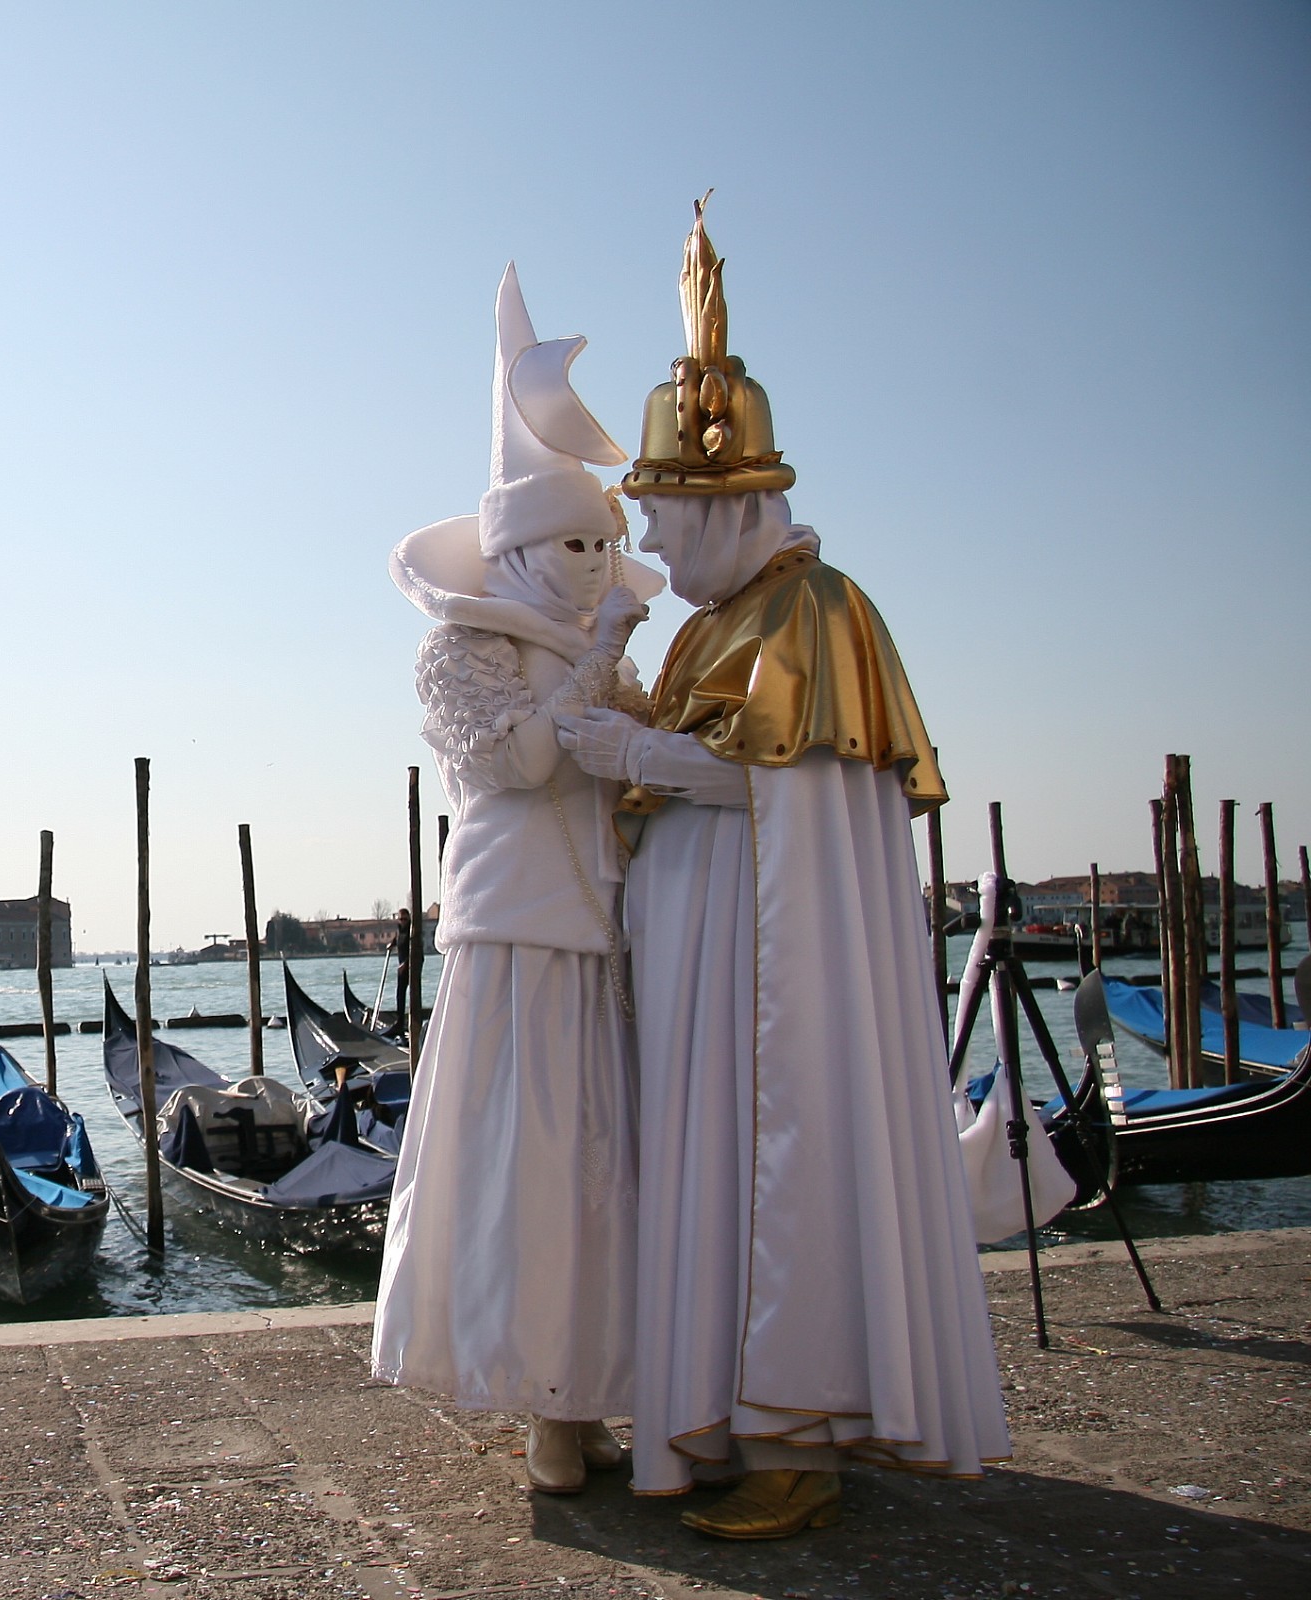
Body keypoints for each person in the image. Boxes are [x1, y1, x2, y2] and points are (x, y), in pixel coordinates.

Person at [553, 200, 1008, 1538]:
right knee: (710, 1171)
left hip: (769, 980)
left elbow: (775, 782)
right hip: (708, 971)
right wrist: (628, 739)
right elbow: (708, 756)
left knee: (772, 1171)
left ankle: (791, 1426)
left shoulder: (812, 610)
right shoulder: (721, 623)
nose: (663, 544)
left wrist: (615, 753)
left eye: (674, 517)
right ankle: (715, 1413)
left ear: (737, 504)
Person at [371, 261, 658, 1494]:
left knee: (612, 1168)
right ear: (521, 549)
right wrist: (595, 668)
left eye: (607, 541)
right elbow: (522, 765)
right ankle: (540, 1402)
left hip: (608, 935)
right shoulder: (464, 647)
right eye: (572, 542)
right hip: (519, 936)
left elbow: (632, 777)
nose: (596, 561)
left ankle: (593, 1387)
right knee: (533, 1170)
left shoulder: (607, 636)